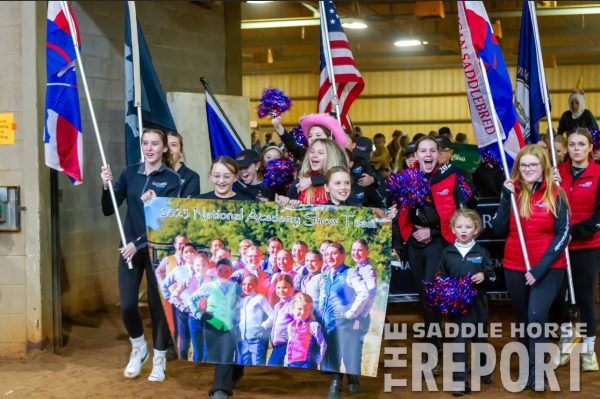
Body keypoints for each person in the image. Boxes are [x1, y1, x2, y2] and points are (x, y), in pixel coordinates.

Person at [100, 127, 181, 382]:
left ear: (164, 148)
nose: (149, 148)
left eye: (155, 144)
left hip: (156, 252)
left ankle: (159, 359)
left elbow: (169, 223)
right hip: (129, 251)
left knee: (158, 308)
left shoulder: (171, 180)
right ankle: (139, 347)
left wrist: (154, 205)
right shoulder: (131, 174)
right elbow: (107, 209)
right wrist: (107, 186)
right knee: (127, 305)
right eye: (145, 143)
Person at [491, 144, 569, 391]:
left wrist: (539, 270)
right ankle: (527, 370)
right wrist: (505, 198)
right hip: (514, 264)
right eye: (523, 165)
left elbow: (564, 235)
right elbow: (498, 229)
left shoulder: (556, 193)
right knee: (525, 319)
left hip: (548, 266)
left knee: (536, 316)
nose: (528, 169)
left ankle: (538, 375)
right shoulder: (512, 193)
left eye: (533, 165)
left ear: (543, 166)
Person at [397, 135, 474, 375]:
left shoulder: (453, 177)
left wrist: (432, 231)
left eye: (432, 150)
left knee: (435, 295)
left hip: (441, 244)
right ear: (416, 156)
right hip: (414, 246)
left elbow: (465, 215)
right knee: (425, 299)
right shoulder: (407, 178)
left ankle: (452, 353)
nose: (428, 154)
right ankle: (435, 350)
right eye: (423, 151)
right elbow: (399, 212)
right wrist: (404, 240)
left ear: (439, 154)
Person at [197, 156, 256, 399]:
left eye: (226, 176)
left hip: (239, 278)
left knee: (236, 327)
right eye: (217, 175)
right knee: (222, 326)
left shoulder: (248, 203)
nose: (221, 181)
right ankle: (222, 383)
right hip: (213, 281)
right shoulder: (198, 203)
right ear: (210, 176)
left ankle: (228, 377)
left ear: (235, 177)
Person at [556, 128, 600, 371]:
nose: (576, 148)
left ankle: (589, 351)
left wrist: (576, 231)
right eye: (572, 144)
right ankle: (566, 338)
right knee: (557, 296)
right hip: (559, 246)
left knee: (584, 299)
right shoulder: (558, 172)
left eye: (581, 144)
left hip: (587, 246)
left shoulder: (598, 173)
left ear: (590, 147)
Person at [439, 209, 495, 395]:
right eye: (459, 226)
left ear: (476, 230)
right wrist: (446, 287)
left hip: (478, 305)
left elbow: (493, 276)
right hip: (458, 307)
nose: (463, 230)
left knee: (479, 339)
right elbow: (440, 277)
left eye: (468, 227)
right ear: (453, 229)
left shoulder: (482, 252)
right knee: (459, 341)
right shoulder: (447, 253)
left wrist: (484, 275)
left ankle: (484, 368)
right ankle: (460, 382)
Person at [320, 243, 369, 380]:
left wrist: (350, 313)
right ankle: (336, 385)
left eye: (334, 253)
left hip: (345, 325)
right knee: (333, 358)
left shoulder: (350, 273)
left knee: (349, 356)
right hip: (329, 325)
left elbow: (364, 293)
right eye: (327, 254)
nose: (330, 257)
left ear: (343, 255)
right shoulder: (327, 275)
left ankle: (353, 384)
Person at [282, 138, 347, 205]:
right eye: (312, 152)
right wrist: (285, 202)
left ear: (331, 157)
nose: (314, 155)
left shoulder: (341, 181)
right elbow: (287, 209)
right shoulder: (301, 180)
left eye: (320, 153)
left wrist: (312, 180)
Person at [160, 243, 196, 360]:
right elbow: (164, 285)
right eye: (186, 252)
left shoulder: (201, 268)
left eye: (191, 251)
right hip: (182, 310)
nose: (189, 254)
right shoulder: (178, 270)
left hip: (199, 311)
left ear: (196, 253)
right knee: (184, 340)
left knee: (199, 340)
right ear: (182, 255)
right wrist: (172, 300)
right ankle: (184, 361)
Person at [272, 113, 348, 160]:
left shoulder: (337, 157)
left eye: (318, 135)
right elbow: (292, 145)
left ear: (329, 138)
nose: (313, 138)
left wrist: (312, 180)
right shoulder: (307, 156)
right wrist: (278, 126)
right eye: (310, 136)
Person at [284, 293, 327, 369]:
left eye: (306, 309)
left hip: (305, 364)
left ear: (310, 310)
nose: (303, 312)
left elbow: (322, 344)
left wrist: (318, 359)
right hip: (290, 363)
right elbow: (289, 344)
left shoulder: (313, 325)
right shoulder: (290, 325)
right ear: (293, 308)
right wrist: (286, 361)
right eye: (299, 309)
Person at [238, 274, 273, 366]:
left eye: (250, 284)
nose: (246, 287)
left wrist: (263, 326)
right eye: (244, 284)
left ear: (256, 285)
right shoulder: (241, 300)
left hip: (256, 339)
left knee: (257, 366)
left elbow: (273, 315)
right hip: (244, 340)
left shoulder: (260, 299)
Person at [261, 274, 296, 366]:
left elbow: (299, 322)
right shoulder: (278, 305)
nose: (281, 290)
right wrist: (263, 326)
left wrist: (290, 334)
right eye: (278, 287)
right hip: (276, 346)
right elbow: (273, 318)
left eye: (285, 287)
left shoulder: (293, 305)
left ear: (292, 288)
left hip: (287, 345)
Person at [167, 131, 200, 198]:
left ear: (181, 151)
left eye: (173, 145)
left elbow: (188, 206)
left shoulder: (191, 177)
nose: (169, 149)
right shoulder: (155, 174)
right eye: (165, 145)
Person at [300, 250, 325, 319]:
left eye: (313, 261)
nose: (309, 264)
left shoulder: (323, 277)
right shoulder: (304, 279)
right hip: (305, 314)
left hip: (318, 315)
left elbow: (323, 299)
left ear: (321, 262)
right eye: (307, 260)